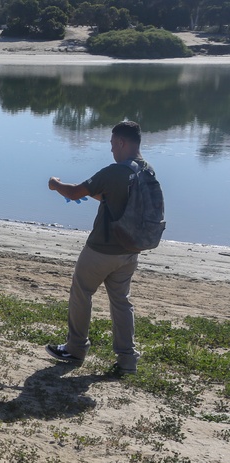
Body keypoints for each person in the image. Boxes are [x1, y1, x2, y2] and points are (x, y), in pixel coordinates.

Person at [45, 120, 149, 375]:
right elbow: (113, 197)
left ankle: (75, 348)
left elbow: (73, 192)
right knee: (122, 302)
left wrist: (55, 183)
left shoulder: (115, 171)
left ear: (122, 142)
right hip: (130, 251)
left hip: (102, 249)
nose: (111, 150)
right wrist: (93, 192)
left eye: (113, 144)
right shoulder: (147, 171)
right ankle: (127, 360)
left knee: (81, 292)